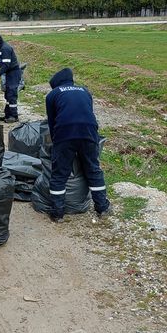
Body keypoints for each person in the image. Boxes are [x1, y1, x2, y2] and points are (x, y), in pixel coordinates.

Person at [45, 67, 111, 222]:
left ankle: (57, 213)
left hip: (65, 133)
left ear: (56, 84)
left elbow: (52, 121)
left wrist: (56, 144)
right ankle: (102, 208)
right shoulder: (85, 91)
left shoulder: (52, 94)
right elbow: (88, 112)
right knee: (93, 170)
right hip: (89, 133)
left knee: (59, 173)